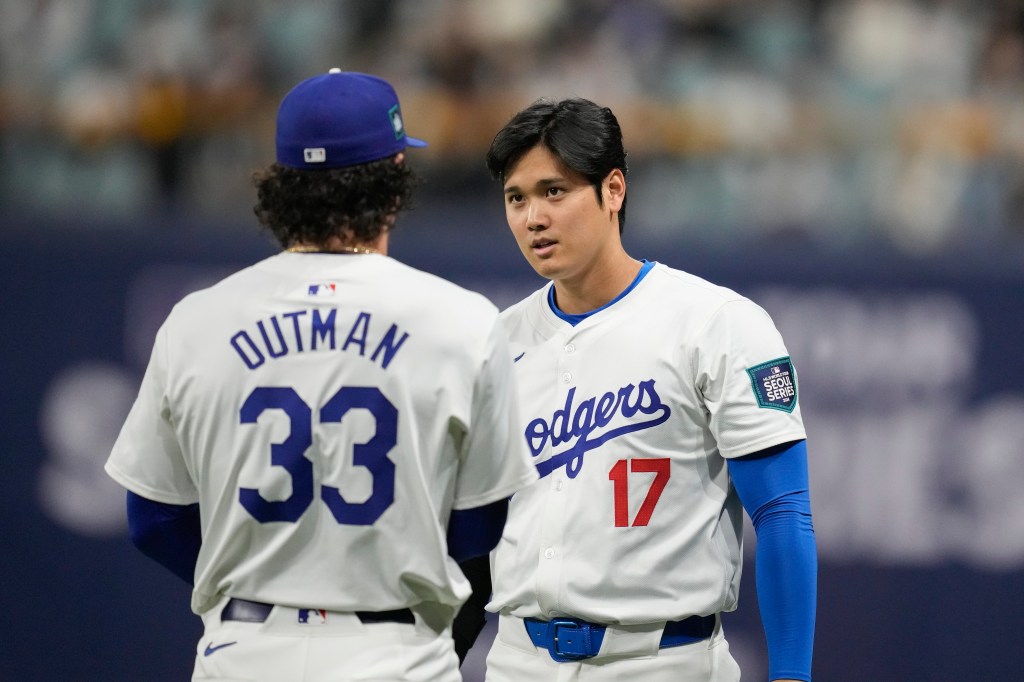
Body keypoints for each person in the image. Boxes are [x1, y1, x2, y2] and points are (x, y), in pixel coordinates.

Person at [104, 69, 538, 682]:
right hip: (395, 650)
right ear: (393, 177)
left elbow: (153, 519)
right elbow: (480, 526)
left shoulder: (197, 319)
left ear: (282, 182)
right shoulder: (460, 320)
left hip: (245, 650)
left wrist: (257, 578)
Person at [471, 97, 818, 681]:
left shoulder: (716, 323)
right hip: (517, 660)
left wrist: (791, 677)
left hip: (662, 661)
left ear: (613, 190)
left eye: (554, 191)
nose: (533, 217)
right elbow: (475, 535)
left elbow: (783, 514)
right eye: (517, 198)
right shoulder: (495, 342)